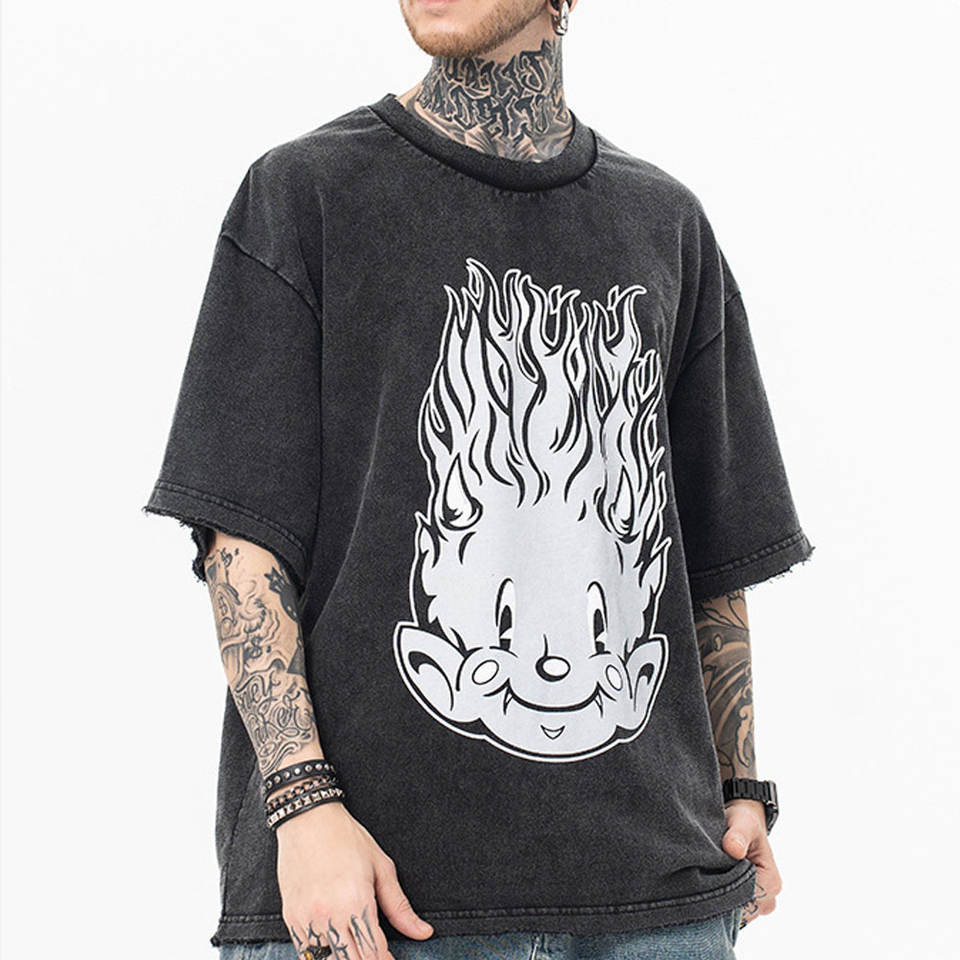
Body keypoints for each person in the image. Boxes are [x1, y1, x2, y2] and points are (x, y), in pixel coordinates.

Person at [142, 2, 815, 958]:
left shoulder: (663, 224)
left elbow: (709, 555)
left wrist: (742, 789)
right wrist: (302, 806)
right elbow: (240, 545)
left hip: (656, 905)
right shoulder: (306, 195)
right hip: (379, 905)